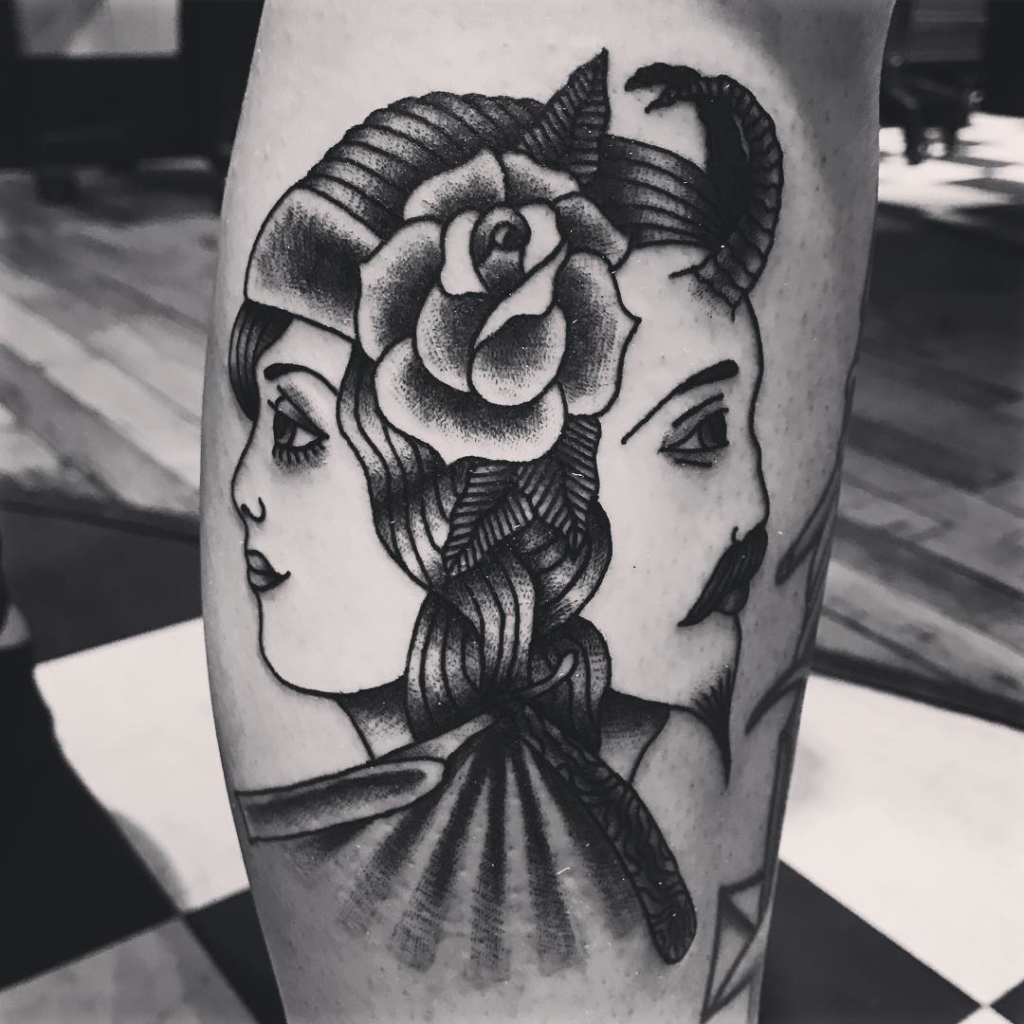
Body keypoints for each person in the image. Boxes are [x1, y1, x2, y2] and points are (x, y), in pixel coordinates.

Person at [202, 3, 894, 1020]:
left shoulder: (552, 815)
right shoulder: (480, 849)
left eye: (298, 429)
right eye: (291, 425)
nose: (758, 511)